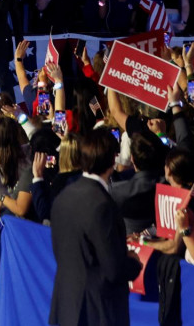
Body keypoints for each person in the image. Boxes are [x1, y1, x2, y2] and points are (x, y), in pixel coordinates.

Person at [50, 130, 142, 326]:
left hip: (66, 305)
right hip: (96, 312)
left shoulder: (64, 196)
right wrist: (134, 262)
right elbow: (113, 269)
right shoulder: (102, 205)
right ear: (112, 160)